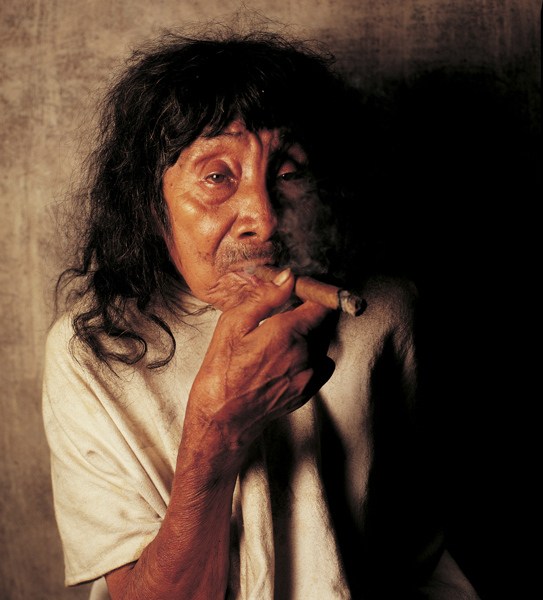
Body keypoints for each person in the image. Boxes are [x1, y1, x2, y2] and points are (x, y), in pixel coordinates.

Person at [43, 26, 480, 600]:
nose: (264, 219)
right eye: (217, 177)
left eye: (289, 172)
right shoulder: (95, 351)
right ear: (151, 204)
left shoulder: (385, 313)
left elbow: (417, 550)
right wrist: (218, 428)